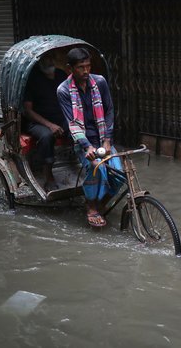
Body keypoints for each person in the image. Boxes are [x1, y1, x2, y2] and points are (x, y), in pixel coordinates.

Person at [57, 47, 115, 227]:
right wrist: (86, 146)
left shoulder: (100, 82)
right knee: (96, 167)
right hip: (81, 141)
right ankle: (91, 206)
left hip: (102, 136)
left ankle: (101, 202)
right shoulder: (64, 90)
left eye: (88, 66)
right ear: (70, 69)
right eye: (81, 67)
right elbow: (72, 124)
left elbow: (109, 110)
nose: (86, 71)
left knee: (121, 173)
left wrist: (106, 140)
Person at [23, 57, 68, 192]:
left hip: (59, 118)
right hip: (37, 121)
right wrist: (50, 125)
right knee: (47, 136)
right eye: (45, 59)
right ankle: (48, 175)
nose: (50, 61)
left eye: (51, 57)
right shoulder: (32, 79)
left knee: (78, 129)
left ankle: (79, 166)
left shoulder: (61, 75)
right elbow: (28, 111)